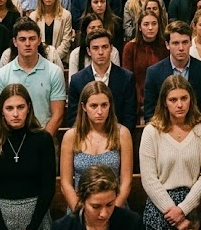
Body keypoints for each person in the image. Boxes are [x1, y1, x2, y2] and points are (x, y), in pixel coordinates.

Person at [140, 75, 201, 230]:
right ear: (164, 103)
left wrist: (183, 209)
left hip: (195, 204)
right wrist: (172, 212)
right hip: (161, 208)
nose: (180, 105)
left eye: (184, 98)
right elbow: (149, 179)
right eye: (173, 100)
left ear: (191, 99)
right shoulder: (151, 132)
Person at [0, 83, 56, 230]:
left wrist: (33, 226)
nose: (15, 114)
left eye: (20, 107)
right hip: (0, 215)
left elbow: (48, 188)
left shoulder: (43, 139)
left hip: (36, 214)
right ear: (1, 111)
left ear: (28, 108)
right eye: (9, 108)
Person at [60, 80, 133, 210]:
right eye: (94, 106)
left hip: (114, 207)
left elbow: (126, 182)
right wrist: (81, 212)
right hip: (80, 207)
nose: (100, 111)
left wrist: (111, 210)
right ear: (84, 107)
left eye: (104, 105)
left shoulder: (122, 134)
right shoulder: (71, 136)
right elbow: (66, 183)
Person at [0, 18, 67, 137]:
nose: (27, 44)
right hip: (11, 140)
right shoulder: (2, 74)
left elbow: (57, 115)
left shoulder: (54, 72)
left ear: (39, 40)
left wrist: (42, 143)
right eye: (22, 39)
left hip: (44, 138)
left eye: (32, 39)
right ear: (15, 42)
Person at [143, 21, 201, 123]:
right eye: (175, 43)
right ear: (167, 45)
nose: (181, 48)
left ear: (191, 43)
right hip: (164, 132)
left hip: (197, 131)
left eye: (185, 42)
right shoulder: (154, 73)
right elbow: (150, 113)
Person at [66, 28, 138, 132]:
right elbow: (73, 118)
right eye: (95, 48)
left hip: (118, 139)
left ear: (111, 49)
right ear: (88, 51)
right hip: (86, 141)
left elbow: (129, 117)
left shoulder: (126, 78)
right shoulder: (77, 80)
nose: (100, 52)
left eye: (105, 47)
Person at [51, 164, 143, 229]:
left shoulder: (132, 223)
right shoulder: (63, 227)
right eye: (96, 207)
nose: (104, 214)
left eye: (109, 205)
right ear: (82, 200)